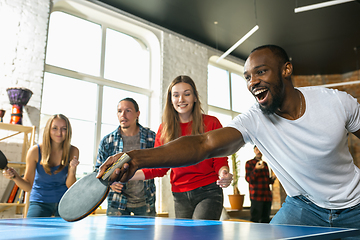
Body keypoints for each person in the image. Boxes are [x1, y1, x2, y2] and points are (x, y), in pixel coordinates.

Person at [98, 45, 360, 232]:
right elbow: (204, 144)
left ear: (286, 69)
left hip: (355, 204)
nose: (253, 82)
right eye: (247, 76)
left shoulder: (336, 102)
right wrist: (134, 157)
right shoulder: (254, 119)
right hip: (303, 207)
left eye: (261, 72)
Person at [121, 75, 233, 220]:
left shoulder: (211, 123)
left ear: (194, 97)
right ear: (171, 100)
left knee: (200, 235)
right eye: (176, 95)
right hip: (180, 195)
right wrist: (125, 175)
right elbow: (158, 168)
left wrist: (224, 173)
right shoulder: (164, 130)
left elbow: (220, 159)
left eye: (187, 94)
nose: (181, 99)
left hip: (208, 191)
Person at [2, 114, 79, 217]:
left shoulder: (73, 151)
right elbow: (27, 186)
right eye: (54, 128)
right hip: (39, 202)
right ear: (48, 130)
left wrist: (72, 170)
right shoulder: (34, 151)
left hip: (64, 202)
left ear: (68, 131)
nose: (59, 132)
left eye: (63, 129)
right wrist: (15, 177)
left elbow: (71, 186)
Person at [95, 97, 156, 216]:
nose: (123, 115)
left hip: (146, 202)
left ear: (137, 114)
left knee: (147, 235)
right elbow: (97, 171)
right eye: (119, 111)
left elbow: (160, 166)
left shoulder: (152, 137)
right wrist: (110, 183)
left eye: (128, 110)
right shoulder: (108, 141)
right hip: (117, 204)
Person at [245, 145, 276, 223]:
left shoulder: (265, 164)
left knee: (265, 221)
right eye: (257, 149)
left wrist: (273, 178)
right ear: (254, 151)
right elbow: (249, 180)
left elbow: (267, 181)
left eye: (260, 150)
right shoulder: (249, 163)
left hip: (267, 197)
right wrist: (256, 169)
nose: (259, 151)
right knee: (255, 220)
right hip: (256, 197)